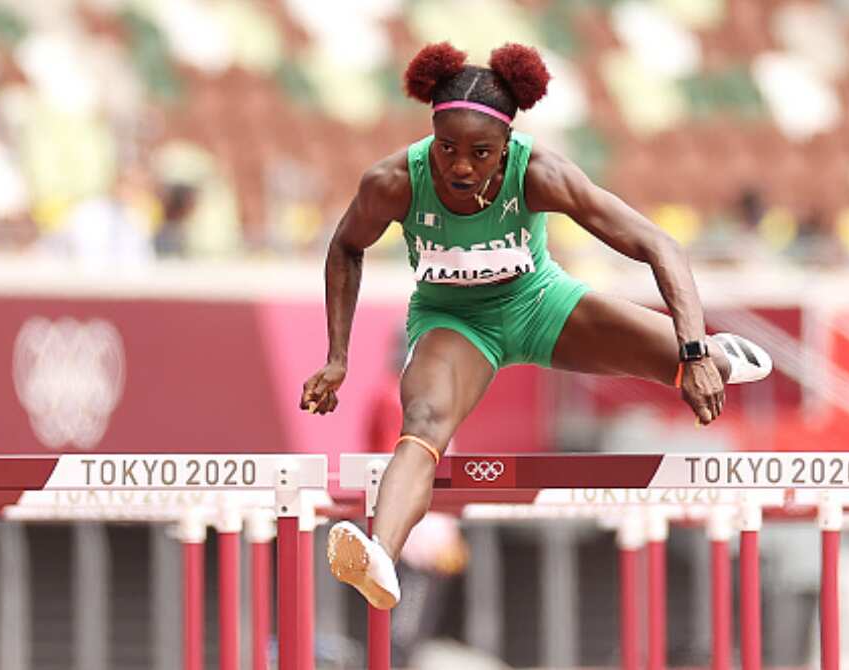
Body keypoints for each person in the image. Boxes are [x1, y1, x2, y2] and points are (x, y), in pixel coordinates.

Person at [300, 42, 772, 609]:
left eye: (480, 152)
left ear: (507, 147)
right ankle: (382, 555)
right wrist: (337, 355)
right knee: (423, 422)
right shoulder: (395, 180)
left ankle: (719, 352)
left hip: (542, 306)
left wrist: (695, 355)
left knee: (695, 365)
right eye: (447, 149)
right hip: (456, 323)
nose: (460, 167)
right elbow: (346, 246)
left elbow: (657, 243)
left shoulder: (541, 172)